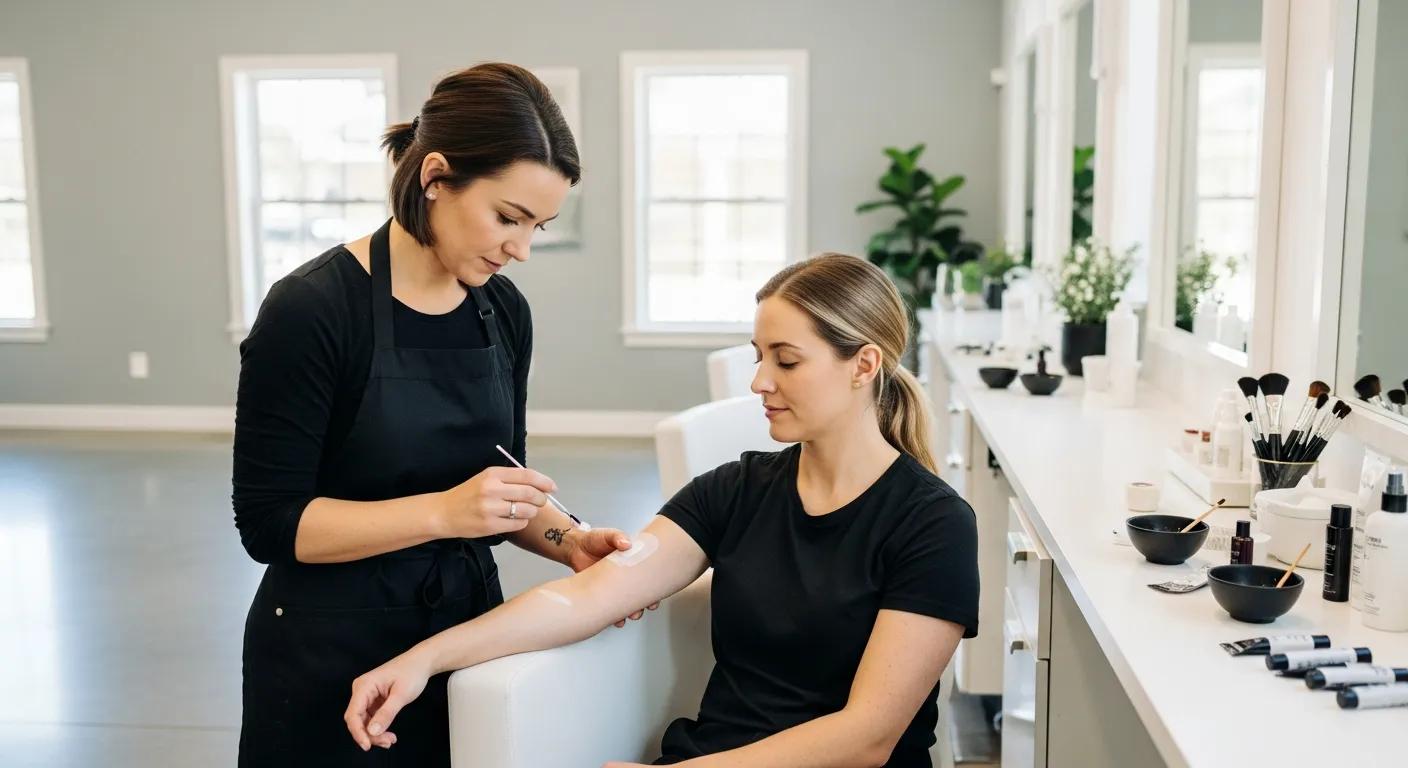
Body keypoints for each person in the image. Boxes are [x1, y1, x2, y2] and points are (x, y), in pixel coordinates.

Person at [344, 253, 981, 767]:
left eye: (786, 360)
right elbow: (585, 598)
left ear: (863, 365)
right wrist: (424, 658)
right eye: (758, 356)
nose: (760, 381)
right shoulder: (734, 490)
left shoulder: (933, 524)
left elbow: (866, 738)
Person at [233, 62, 649, 766]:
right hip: (324, 649)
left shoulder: (503, 311)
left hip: (462, 637)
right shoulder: (311, 311)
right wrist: (442, 515)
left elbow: (498, 478)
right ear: (434, 177)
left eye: (538, 226)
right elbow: (271, 524)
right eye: (508, 218)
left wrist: (567, 540)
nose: (521, 248)